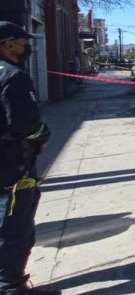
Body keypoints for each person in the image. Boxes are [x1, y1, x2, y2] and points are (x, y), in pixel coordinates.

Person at [0, 22, 56, 294]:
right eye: (22, 42)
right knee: (15, 226)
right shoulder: (13, 76)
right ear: (8, 44)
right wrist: (43, 136)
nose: (27, 47)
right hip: (12, 165)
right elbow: (26, 124)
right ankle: (12, 287)